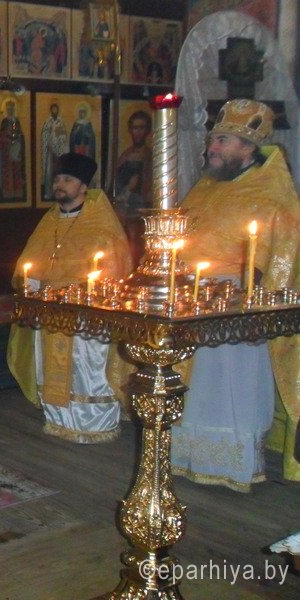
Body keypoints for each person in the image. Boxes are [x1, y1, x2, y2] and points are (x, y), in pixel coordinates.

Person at [173, 99, 299, 492]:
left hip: (237, 307)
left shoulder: (271, 193)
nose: (211, 147)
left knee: (232, 387)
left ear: (247, 147)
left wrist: (259, 310)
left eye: (222, 141)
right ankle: (188, 457)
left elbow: (286, 255)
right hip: (191, 302)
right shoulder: (205, 187)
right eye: (212, 139)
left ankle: (233, 467)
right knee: (195, 386)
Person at [7, 153, 133, 443]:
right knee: (50, 365)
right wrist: (32, 285)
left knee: (84, 368)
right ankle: (57, 419)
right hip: (49, 310)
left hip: (86, 313)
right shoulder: (48, 221)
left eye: (67, 180)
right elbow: (30, 262)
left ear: (84, 187)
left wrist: (85, 291)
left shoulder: (101, 224)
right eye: (57, 179)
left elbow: (114, 267)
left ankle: (93, 424)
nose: (59, 185)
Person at [113, 109, 152, 215]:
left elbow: (149, 186)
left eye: (142, 128)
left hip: (142, 208)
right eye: (135, 128)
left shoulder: (149, 156)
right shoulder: (125, 155)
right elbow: (116, 183)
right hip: (123, 207)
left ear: (147, 130)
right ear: (130, 130)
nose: (138, 132)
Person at [0, 99, 26, 198]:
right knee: (7, 171)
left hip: (16, 149)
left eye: (12, 109)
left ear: (14, 109)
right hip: (6, 150)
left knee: (16, 171)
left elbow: (20, 134)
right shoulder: (4, 121)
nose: (10, 111)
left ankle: (17, 192)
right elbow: (0, 135)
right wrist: (6, 138)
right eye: (8, 109)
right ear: (6, 110)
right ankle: (8, 193)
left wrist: (18, 138)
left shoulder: (16, 121)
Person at [40, 102, 68, 200]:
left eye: (56, 109)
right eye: (53, 109)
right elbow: (44, 135)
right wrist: (49, 134)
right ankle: (49, 192)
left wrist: (60, 134)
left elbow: (64, 135)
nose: (54, 111)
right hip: (50, 152)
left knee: (58, 172)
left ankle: (59, 193)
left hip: (59, 152)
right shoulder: (48, 122)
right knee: (49, 172)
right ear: (51, 110)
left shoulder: (61, 122)